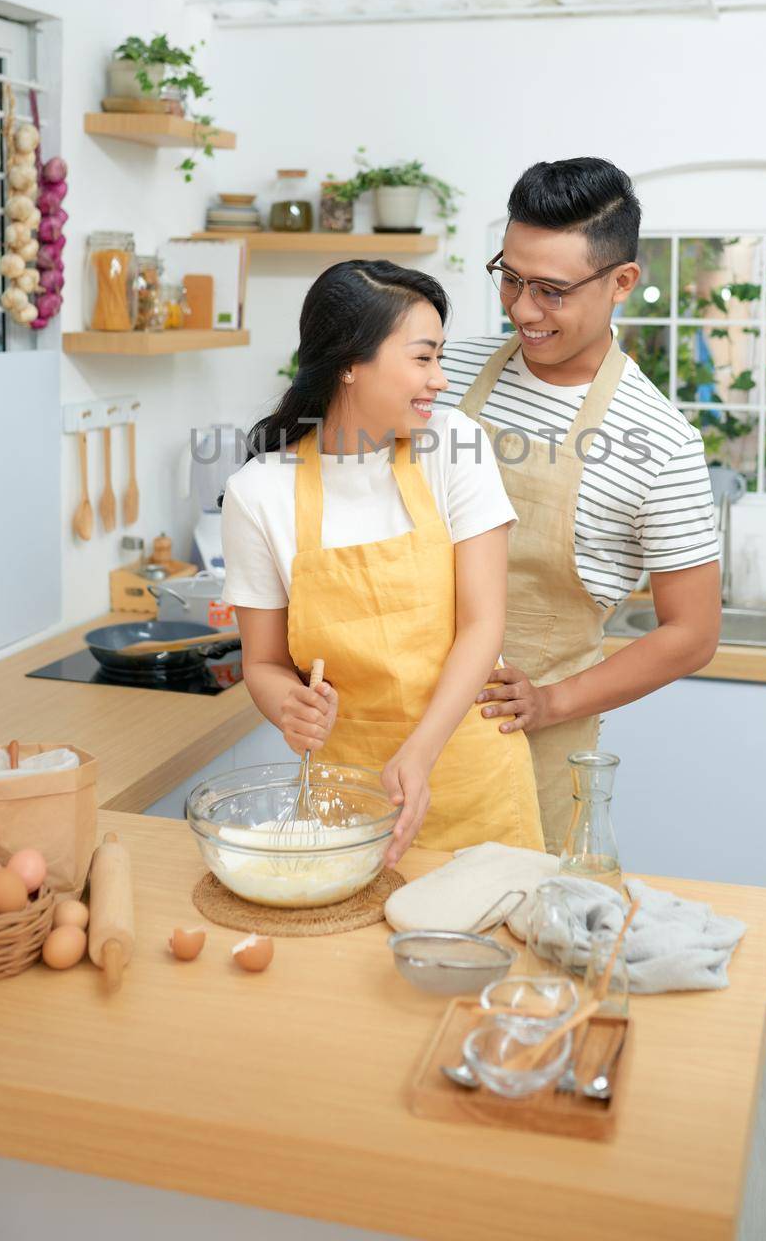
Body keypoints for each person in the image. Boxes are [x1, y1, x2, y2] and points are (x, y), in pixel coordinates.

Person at [437, 157, 722, 852]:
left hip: (527, 749)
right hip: (396, 722)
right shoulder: (442, 372)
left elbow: (692, 634)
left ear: (622, 281)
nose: (522, 309)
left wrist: (551, 702)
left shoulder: (661, 442)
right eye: (509, 276)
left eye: (551, 290)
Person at [221, 259, 544, 867]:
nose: (441, 380)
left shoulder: (454, 445)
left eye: (440, 358)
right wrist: (285, 706)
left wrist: (419, 754)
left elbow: (483, 625)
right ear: (349, 362)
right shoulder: (259, 492)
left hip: (475, 783)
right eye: (423, 359)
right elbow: (262, 663)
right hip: (350, 803)